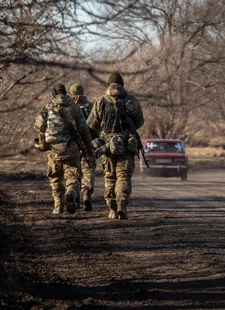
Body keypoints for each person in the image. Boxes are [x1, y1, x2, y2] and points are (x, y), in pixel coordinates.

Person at [86, 72, 145, 220]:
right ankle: (122, 205)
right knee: (124, 176)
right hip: (126, 145)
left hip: (107, 146)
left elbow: (91, 124)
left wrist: (103, 135)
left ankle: (112, 209)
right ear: (122, 84)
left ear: (109, 84)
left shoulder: (100, 101)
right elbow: (139, 122)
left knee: (110, 177)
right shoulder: (131, 101)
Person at [34, 84, 94, 215]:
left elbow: (39, 127)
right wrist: (89, 148)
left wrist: (43, 143)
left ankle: (58, 205)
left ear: (53, 94)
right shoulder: (75, 107)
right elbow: (84, 129)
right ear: (66, 92)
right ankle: (71, 192)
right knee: (73, 176)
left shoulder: (46, 108)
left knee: (55, 177)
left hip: (53, 150)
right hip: (71, 149)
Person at [69, 83, 96, 211]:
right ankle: (86, 194)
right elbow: (96, 126)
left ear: (71, 94)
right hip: (88, 143)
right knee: (88, 170)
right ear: (83, 92)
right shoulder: (91, 106)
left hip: (72, 145)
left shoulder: (69, 107)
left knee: (74, 172)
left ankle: (74, 197)